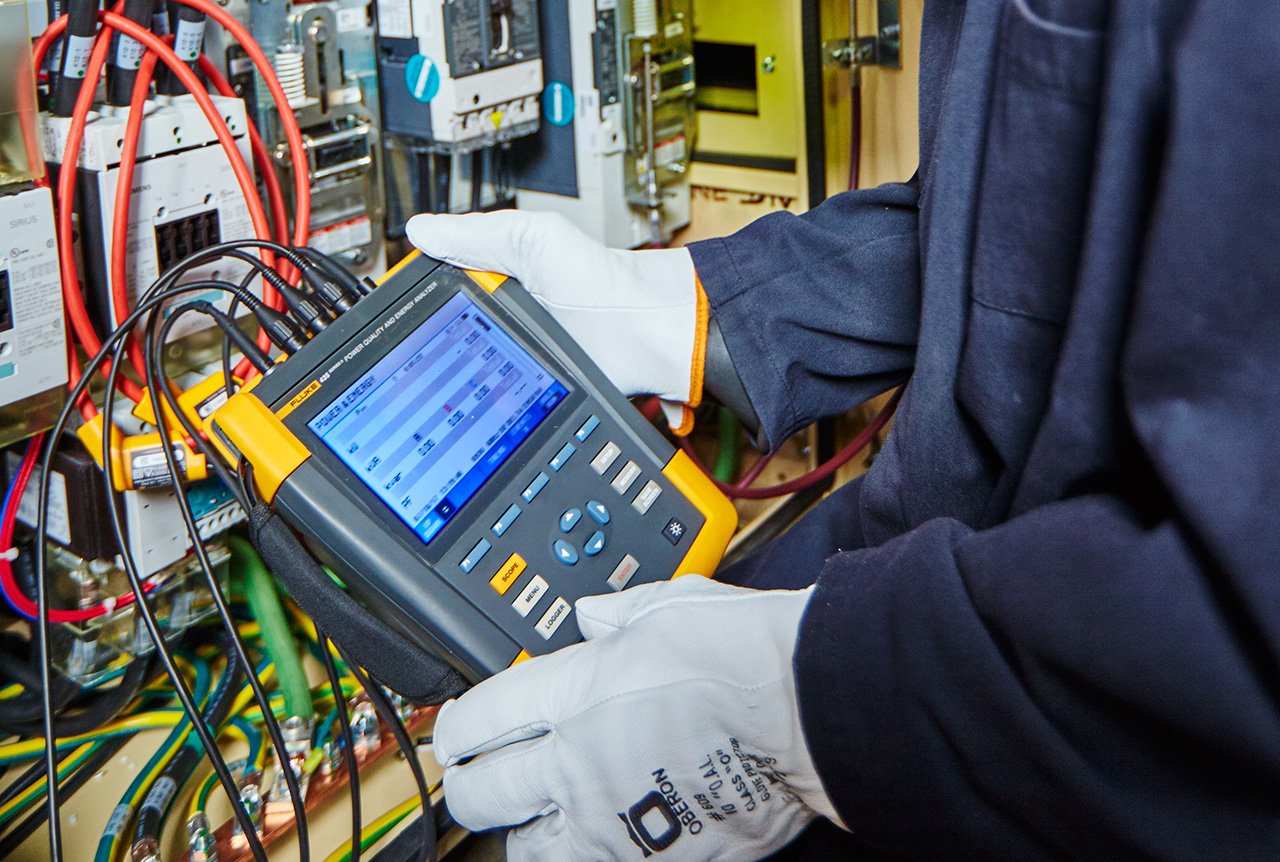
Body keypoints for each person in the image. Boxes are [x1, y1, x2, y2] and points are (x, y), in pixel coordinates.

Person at [404, 0, 1280, 858]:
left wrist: (802, 711)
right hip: (928, 579)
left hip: (1059, 685)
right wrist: (692, 311)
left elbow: (1235, 625)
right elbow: (1023, 207)